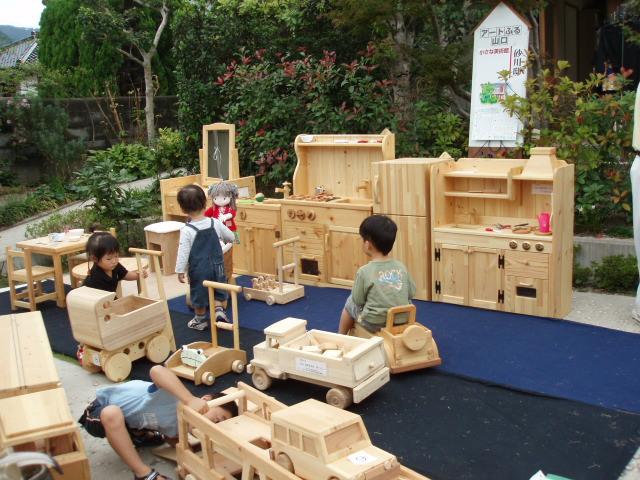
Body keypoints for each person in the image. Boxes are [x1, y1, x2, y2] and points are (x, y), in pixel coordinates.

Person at [79, 365, 238, 480]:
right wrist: (189, 399)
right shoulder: (176, 396)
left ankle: (141, 435)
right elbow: (157, 370)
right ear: (206, 399)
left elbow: (173, 437)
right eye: (216, 420)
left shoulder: (178, 428)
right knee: (112, 413)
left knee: (158, 436)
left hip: (130, 426)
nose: (211, 426)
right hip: (99, 411)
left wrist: (191, 454)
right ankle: (143, 473)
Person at [338, 215, 416, 335]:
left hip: (373, 323)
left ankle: (340, 335)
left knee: (350, 303)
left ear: (367, 244)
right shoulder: (401, 267)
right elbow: (411, 292)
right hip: (402, 320)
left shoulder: (364, 271)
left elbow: (358, 300)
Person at [175, 184, 235, 330]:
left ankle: (200, 320)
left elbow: (183, 252)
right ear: (205, 203)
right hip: (218, 265)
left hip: (199, 269)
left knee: (199, 292)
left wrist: (180, 270)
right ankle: (219, 311)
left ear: (183, 209)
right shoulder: (214, 222)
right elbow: (231, 236)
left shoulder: (187, 230)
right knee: (218, 288)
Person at [83, 231, 147, 293]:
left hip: (110, 297)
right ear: (94, 259)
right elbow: (101, 298)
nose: (114, 261)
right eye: (109, 259)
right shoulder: (96, 278)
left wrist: (138, 275)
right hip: (96, 298)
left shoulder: (115, 266)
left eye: (116, 256)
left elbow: (125, 274)